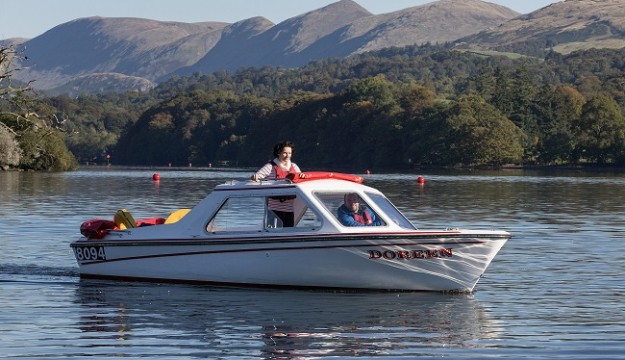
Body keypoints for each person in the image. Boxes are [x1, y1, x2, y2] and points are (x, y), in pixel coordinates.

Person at [251, 140, 304, 227]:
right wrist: (255, 177)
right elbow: (257, 176)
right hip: (274, 210)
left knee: (288, 234)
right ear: (278, 153)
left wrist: (302, 176)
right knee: (272, 233)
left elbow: (301, 180)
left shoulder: (294, 167)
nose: (287, 156)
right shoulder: (270, 166)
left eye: (290, 153)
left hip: (289, 209)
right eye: (285, 153)